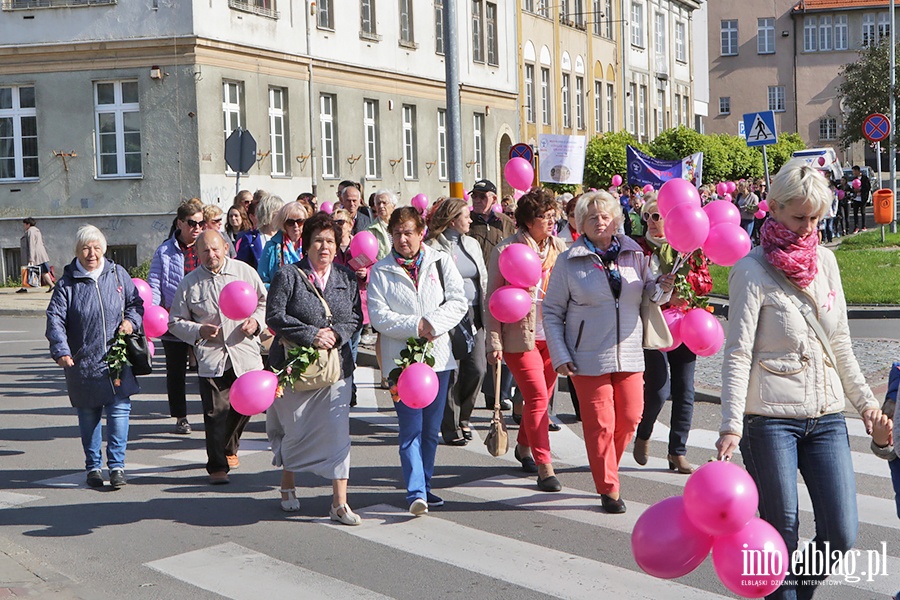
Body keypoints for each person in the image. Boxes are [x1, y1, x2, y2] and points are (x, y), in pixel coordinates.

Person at [716, 163, 885, 600]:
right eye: (798, 217)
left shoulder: (826, 262)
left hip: (827, 415)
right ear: (773, 209)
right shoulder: (750, 271)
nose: (808, 228)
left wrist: (866, 404)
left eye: (815, 218)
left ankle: (796, 592)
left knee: (842, 532)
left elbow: (841, 341)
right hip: (769, 420)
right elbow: (736, 352)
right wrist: (731, 423)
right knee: (780, 536)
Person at [543, 192, 673, 513]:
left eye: (605, 216)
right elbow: (552, 311)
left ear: (615, 219)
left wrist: (665, 285)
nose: (600, 222)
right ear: (580, 225)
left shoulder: (634, 253)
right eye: (592, 218)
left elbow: (650, 295)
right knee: (600, 423)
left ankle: (605, 463)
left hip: (629, 351)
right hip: (587, 356)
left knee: (630, 418)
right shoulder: (568, 260)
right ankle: (608, 488)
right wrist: (560, 354)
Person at [368, 207, 468, 515]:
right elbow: (378, 315)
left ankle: (424, 484)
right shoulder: (381, 270)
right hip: (403, 366)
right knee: (410, 429)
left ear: (421, 232)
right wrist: (416, 327)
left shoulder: (439, 261)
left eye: (408, 232)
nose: (402, 239)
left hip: (438, 361)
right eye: (396, 234)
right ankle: (415, 493)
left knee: (430, 430)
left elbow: (458, 300)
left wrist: (432, 324)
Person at [267, 213, 364, 522]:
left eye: (330, 242)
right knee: (295, 429)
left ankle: (339, 503)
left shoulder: (345, 277)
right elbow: (275, 316)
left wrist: (336, 334)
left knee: (338, 433)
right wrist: (311, 335)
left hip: (337, 367)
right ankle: (288, 482)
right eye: (318, 241)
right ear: (306, 244)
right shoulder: (289, 275)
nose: (325, 247)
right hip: (297, 367)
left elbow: (354, 317)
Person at [46, 225, 142, 489]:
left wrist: (131, 322)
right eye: (86, 248)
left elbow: (136, 304)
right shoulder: (67, 283)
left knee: (120, 412)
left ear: (105, 249)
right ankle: (93, 467)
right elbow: (55, 319)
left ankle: (118, 466)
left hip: (116, 359)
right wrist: (61, 351)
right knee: (89, 416)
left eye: (97, 247)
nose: (92, 253)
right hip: (83, 362)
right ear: (77, 251)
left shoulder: (117, 274)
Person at [485, 188, 568, 492]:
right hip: (520, 337)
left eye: (552, 215)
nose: (550, 221)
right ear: (528, 221)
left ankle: (523, 447)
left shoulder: (559, 247)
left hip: (553, 336)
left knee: (542, 399)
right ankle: (544, 464)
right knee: (535, 398)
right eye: (544, 217)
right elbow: (492, 299)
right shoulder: (506, 250)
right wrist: (493, 341)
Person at [168, 231, 267, 484]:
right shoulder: (190, 283)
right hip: (212, 357)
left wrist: (255, 322)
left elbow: (265, 303)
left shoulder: (244, 272)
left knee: (246, 406)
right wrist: (199, 331)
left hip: (244, 353)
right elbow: (175, 322)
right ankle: (217, 467)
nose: (211, 255)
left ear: (225, 247)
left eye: (215, 249)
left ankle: (229, 446)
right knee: (215, 413)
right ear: (196, 253)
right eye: (204, 251)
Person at [631, 195, 712, 475]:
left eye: (659, 216)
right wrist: (665, 296)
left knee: (685, 391)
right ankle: (644, 433)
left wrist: (685, 287)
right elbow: (634, 290)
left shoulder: (689, 249)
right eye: (649, 217)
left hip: (685, 326)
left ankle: (677, 451)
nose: (654, 223)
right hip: (654, 326)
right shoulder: (638, 250)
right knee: (658, 389)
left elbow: (705, 282)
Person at [426, 198, 488, 446]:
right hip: (448, 315)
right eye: (466, 216)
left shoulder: (472, 244)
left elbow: (481, 278)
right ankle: (450, 426)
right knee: (451, 371)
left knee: (478, 368)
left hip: (474, 314)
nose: (470, 220)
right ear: (453, 220)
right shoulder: (432, 247)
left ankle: (464, 417)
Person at [149, 199, 205, 434]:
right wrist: (151, 311)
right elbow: (154, 283)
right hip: (173, 318)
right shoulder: (165, 251)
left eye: (201, 223)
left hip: (202, 317)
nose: (197, 228)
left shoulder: (207, 247)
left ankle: (212, 413)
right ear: (180, 223)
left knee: (208, 369)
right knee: (176, 371)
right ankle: (181, 417)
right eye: (192, 223)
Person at [469, 179, 517, 411]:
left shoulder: (506, 224)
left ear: (494, 199)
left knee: (501, 340)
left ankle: (497, 391)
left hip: (502, 289)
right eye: (474, 196)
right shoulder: (467, 223)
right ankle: (483, 389)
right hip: (477, 291)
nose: (477, 200)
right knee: (482, 341)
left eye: (482, 196)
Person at [258, 201, 307, 288]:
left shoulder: (310, 244)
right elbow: (262, 280)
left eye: (300, 221)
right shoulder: (271, 246)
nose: (296, 226)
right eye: (290, 222)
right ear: (283, 224)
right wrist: (279, 289)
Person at [235, 194, 284, 269]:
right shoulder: (250, 239)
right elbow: (242, 268)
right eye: (279, 212)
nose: (282, 216)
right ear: (268, 213)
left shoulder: (285, 237)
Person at [18, 217, 55, 293]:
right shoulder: (36, 230)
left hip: (36, 255)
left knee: (28, 269)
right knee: (43, 271)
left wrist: (31, 258)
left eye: (24, 224)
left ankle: (25, 287)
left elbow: (31, 245)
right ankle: (52, 285)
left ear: (28, 224)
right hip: (40, 255)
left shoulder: (30, 231)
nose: (24, 226)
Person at [367, 190, 396, 260]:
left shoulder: (401, 226)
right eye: (378, 203)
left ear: (393, 206)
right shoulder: (371, 230)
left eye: (384, 203)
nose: (381, 206)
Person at [851, 165, 870, 233]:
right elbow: (853, 187)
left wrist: (861, 189)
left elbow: (868, 187)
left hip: (863, 198)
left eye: (854, 171)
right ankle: (856, 227)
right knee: (855, 213)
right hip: (856, 198)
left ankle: (863, 226)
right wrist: (854, 190)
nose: (853, 173)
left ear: (857, 171)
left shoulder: (865, 178)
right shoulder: (854, 179)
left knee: (863, 212)